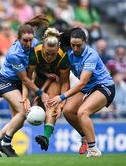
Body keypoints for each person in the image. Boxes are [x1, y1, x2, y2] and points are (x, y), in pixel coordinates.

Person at [0, 15, 49, 157]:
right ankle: (6, 144)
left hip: (18, 84)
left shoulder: (34, 43)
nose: (28, 43)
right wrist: (41, 94)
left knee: (18, 121)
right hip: (5, 82)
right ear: (18, 39)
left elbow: (33, 67)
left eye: (30, 40)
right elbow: (26, 79)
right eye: (25, 40)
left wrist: (46, 73)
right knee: (22, 112)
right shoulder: (15, 54)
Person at [48, 27, 115, 157]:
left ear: (85, 42)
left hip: (104, 86)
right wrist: (62, 103)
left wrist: (61, 97)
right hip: (88, 88)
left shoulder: (91, 55)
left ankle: (93, 149)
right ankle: (85, 137)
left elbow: (83, 82)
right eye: (73, 45)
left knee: (82, 112)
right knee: (68, 111)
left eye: (79, 45)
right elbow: (65, 79)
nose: (76, 48)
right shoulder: (69, 54)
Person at [27, 27, 70, 151]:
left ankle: (45, 137)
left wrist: (62, 102)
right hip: (38, 80)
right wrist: (35, 93)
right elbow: (28, 77)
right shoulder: (35, 52)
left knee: (52, 103)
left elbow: (65, 81)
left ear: (58, 49)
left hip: (56, 80)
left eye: (53, 54)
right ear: (43, 47)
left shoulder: (63, 56)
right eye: (47, 53)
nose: (50, 57)